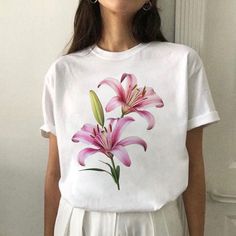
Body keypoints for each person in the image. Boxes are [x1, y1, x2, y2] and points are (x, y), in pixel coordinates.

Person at [39, 0, 221, 235]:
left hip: (156, 224)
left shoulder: (183, 63)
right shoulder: (62, 71)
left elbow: (195, 167)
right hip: (79, 223)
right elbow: (54, 172)